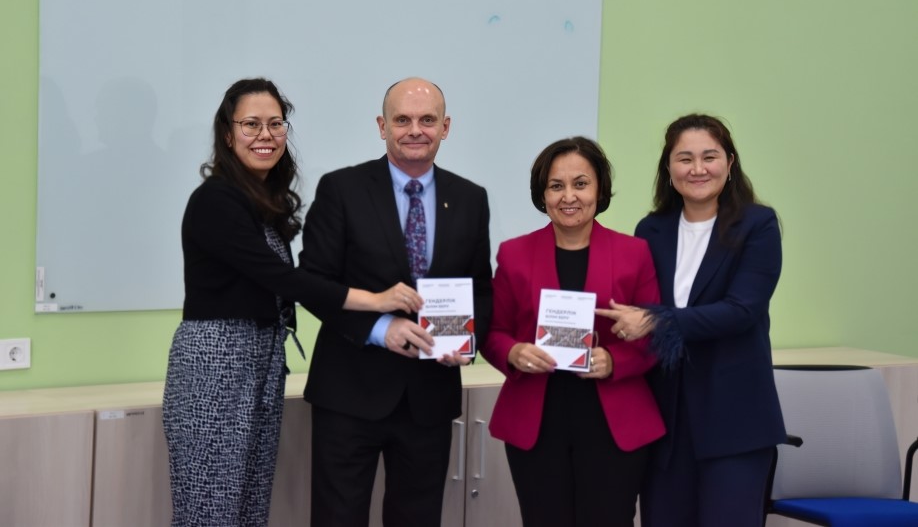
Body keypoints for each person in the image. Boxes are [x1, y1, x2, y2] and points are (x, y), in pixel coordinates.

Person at [162, 78, 422, 527]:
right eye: (251, 124)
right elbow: (283, 279)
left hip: (260, 362)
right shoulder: (216, 200)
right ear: (227, 134)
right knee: (211, 509)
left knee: (249, 506)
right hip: (216, 367)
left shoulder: (260, 201)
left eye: (275, 124)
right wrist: (375, 299)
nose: (265, 135)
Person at [298, 77, 493, 527]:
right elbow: (312, 282)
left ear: (445, 127)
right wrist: (380, 329)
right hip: (349, 393)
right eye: (402, 120)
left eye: (427, 120)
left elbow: (480, 288)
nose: (415, 130)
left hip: (429, 397)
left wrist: (466, 342)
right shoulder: (341, 189)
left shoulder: (470, 198)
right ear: (382, 126)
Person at [597, 113, 785, 527]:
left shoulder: (758, 225)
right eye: (685, 158)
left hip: (734, 421)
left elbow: (742, 310)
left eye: (709, 157)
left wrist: (657, 320)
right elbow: (635, 306)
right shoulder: (651, 230)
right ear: (669, 168)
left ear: (730, 163)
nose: (697, 169)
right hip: (665, 420)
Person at [479, 136, 664, 527]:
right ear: (542, 194)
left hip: (614, 423)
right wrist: (513, 352)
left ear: (599, 189)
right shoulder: (514, 254)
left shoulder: (635, 253)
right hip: (537, 422)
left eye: (581, 184)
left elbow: (654, 336)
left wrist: (614, 360)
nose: (569, 196)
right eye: (556, 185)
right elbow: (494, 332)